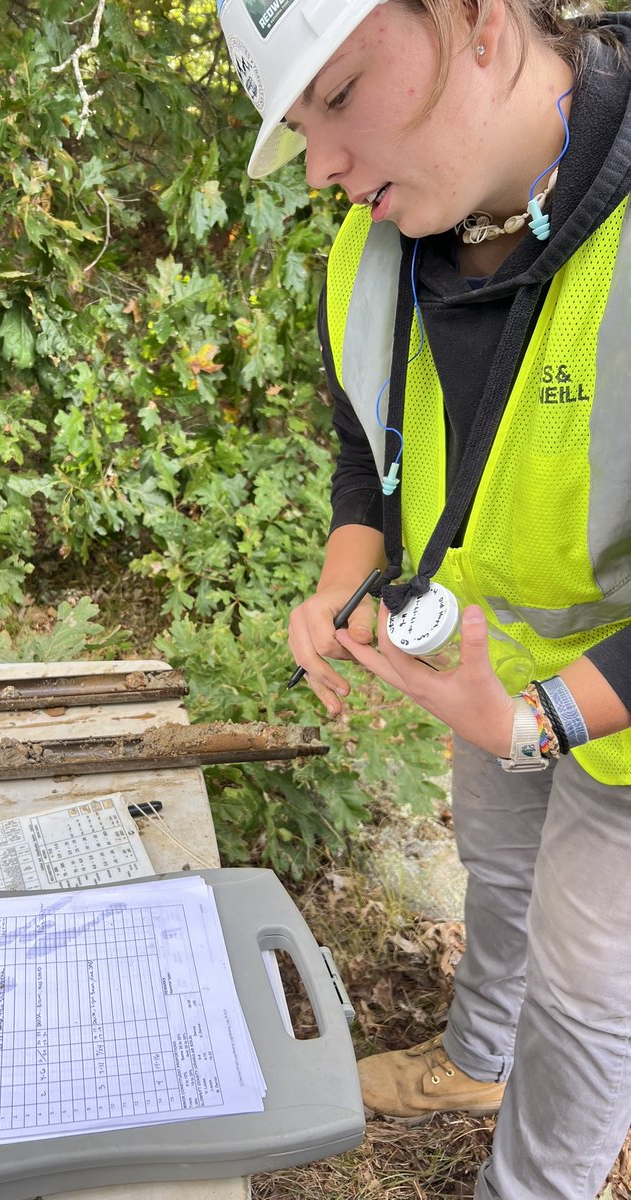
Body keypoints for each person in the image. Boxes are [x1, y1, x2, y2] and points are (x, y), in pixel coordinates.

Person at [217, 0, 631, 1196]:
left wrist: (535, 720)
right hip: (489, 673)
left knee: (592, 982)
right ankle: (474, 1059)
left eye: (341, 95)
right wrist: (343, 583)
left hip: (583, 703)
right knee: (501, 874)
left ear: (480, 23)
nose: (329, 167)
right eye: (301, 127)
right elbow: (369, 465)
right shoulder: (379, 249)